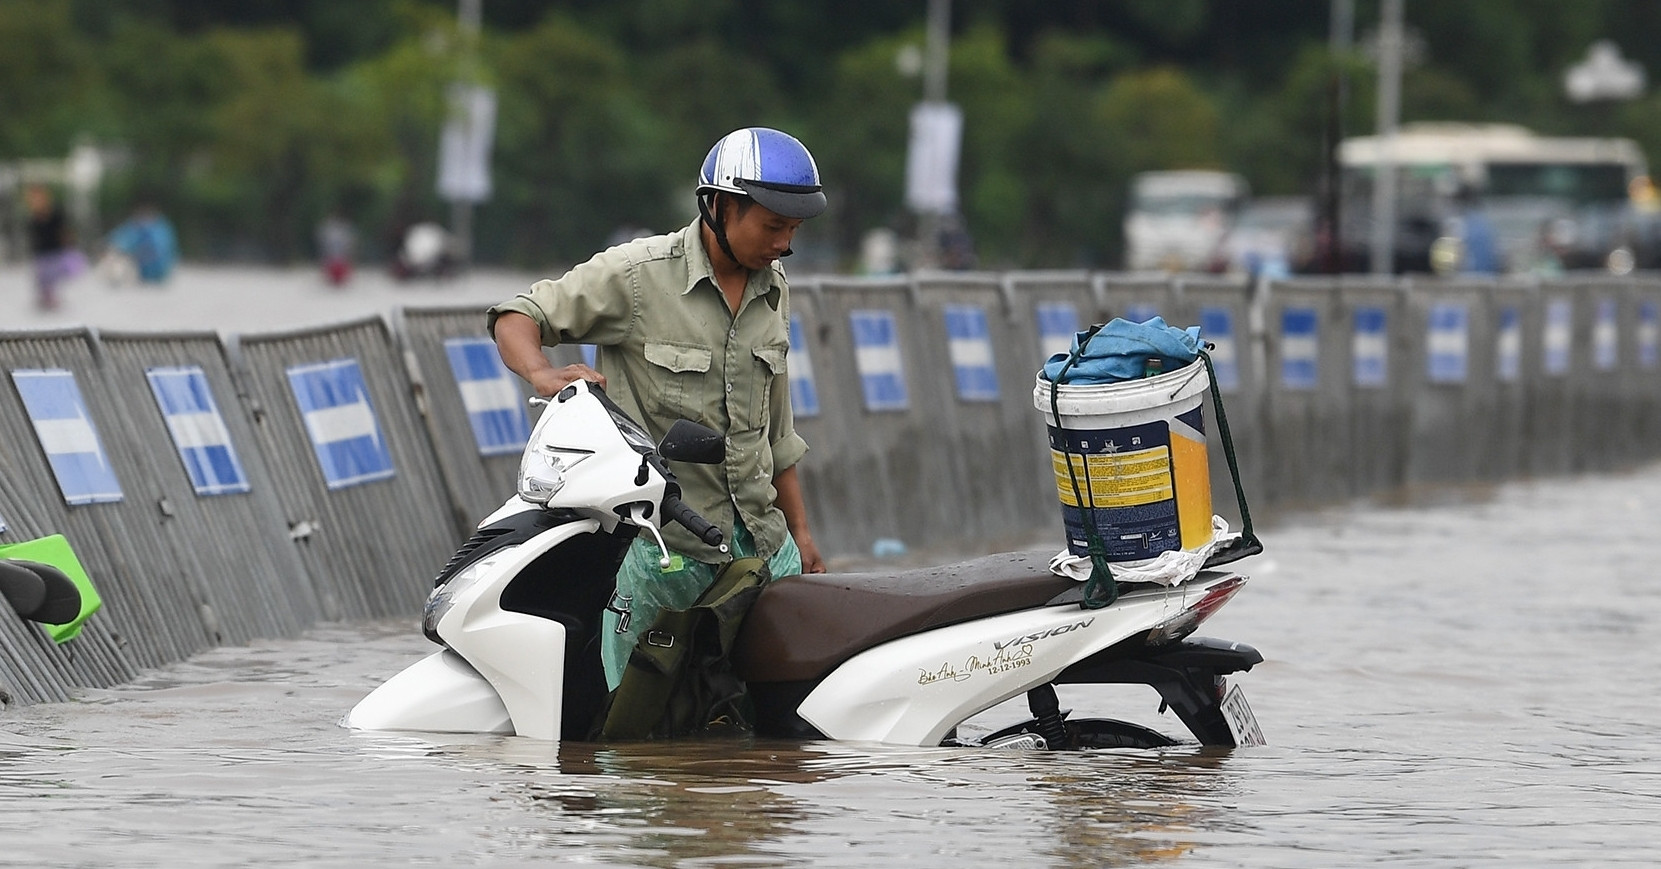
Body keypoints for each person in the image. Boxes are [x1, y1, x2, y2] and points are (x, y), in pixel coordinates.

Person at [487, 127, 829, 691]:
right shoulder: (637, 276)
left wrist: (802, 531)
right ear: (720, 207)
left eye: (793, 230)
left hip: (764, 549)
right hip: (663, 554)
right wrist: (543, 374)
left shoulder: (775, 286)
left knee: (775, 730)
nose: (784, 244)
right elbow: (519, 315)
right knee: (633, 735)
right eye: (773, 227)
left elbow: (777, 432)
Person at [23, 184, 87, 310]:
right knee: (42, 278)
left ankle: (50, 298)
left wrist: (70, 246)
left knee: (52, 276)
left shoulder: (56, 212)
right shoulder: (32, 216)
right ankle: (46, 298)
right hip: (41, 252)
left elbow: (64, 231)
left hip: (55, 250)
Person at [105, 201, 178, 284]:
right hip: (161, 272)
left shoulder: (149, 229)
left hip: (151, 270)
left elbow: (118, 242)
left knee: (119, 258)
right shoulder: (163, 228)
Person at [315, 210, 358, 287]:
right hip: (333, 260)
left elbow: (349, 247)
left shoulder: (343, 230)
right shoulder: (329, 230)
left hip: (339, 260)